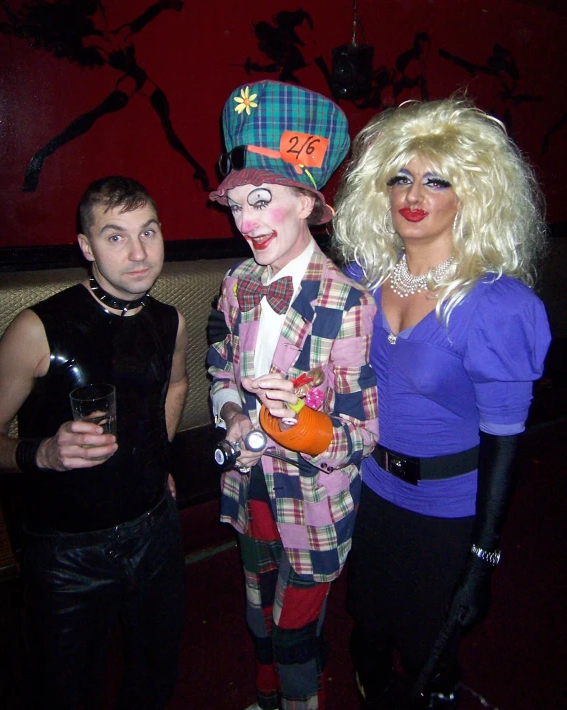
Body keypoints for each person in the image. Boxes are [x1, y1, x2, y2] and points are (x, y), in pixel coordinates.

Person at [332, 98, 552, 709]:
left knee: (430, 651)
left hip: (449, 511)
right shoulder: (363, 278)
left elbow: (506, 442)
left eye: (437, 180)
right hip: (373, 490)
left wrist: (483, 555)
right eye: (399, 177)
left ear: (473, 195)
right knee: (368, 636)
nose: (413, 193)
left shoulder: (497, 305)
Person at [206, 80, 379, 710]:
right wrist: (229, 411)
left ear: (307, 201)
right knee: (258, 616)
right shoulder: (236, 283)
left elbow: (362, 432)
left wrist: (299, 425)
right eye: (236, 206)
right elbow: (220, 366)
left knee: (295, 629)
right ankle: (267, 697)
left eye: (261, 201)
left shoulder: (349, 302)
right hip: (249, 486)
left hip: (311, 502)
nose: (246, 222)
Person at [0, 176, 188, 709]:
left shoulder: (170, 321)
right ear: (86, 247)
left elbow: (175, 384)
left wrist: (158, 458)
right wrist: (43, 453)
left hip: (156, 531)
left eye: (148, 231)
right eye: (116, 236)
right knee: (65, 689)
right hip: (66, 553)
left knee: (156, 671)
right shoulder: (37, 328)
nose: (140, 252)